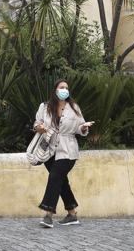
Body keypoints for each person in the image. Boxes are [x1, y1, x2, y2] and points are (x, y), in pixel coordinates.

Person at [33, 80, 93, 228]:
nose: (64, 90)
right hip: (48, 150)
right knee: (60, 180)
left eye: (66, 88)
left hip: (68, 150)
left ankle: (48, 214)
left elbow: (80, 126)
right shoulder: (45, 107)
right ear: (55, 90)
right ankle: (72, 214)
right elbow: (36, 124)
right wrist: (39, 127)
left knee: (54, 177)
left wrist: (84, 128)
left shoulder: (74, 108)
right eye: (61, 87)